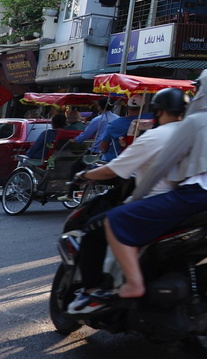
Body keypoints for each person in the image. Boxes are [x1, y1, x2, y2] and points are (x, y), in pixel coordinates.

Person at [92, 69, 207, 301]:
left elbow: (161, 166)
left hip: (201, 195)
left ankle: (134, 284)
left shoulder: (195, 121)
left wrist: (136, 198)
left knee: (117, 218)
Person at [67, 88, 188, 314]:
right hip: (188, 200)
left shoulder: (153, 135)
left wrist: (82, 176)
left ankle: (92, 291)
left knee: (99, 226)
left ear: (158, 111)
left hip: (143, 190)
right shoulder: (193, 134)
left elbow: (112, 166)